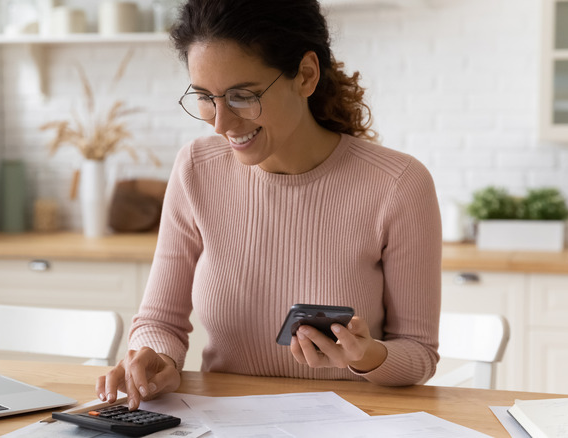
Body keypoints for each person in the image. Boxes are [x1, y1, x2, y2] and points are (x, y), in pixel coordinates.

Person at [97, 0, 442, 410]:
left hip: (349, 423)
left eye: (243, 96)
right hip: (223, 422)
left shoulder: (398, 185)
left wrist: (366, 356)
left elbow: (419, 355)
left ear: (306, 76)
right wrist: (156, 356)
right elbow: (160, 321)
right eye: (206, 97)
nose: (221, 123)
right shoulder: (196, 170)